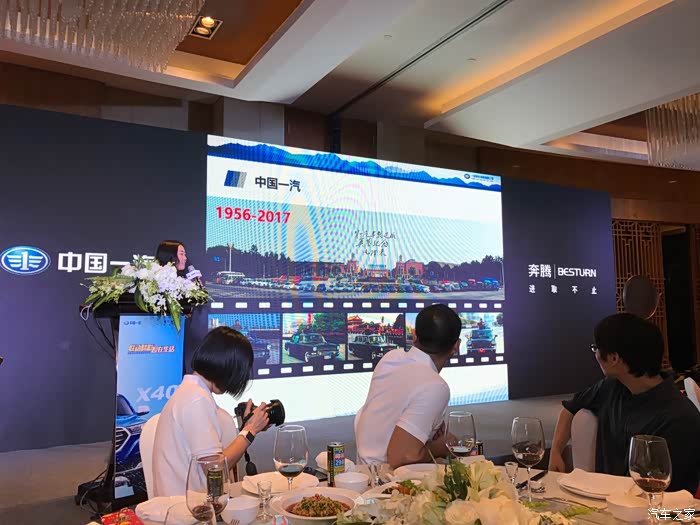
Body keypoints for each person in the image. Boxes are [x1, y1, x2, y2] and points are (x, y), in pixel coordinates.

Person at [549, 313, 700, 493]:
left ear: (614, 358)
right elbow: (570, 408)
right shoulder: (611, 387)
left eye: (596, 348)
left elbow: (669, 496)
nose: (595, 354)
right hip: (606, 501)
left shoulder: (680, 417)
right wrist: (556, 451)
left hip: (659, 506)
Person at [152, 327, 270, 496]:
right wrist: (250, 431)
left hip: (189, 503)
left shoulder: (192, 392)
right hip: (186, 507)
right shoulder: (195, 399)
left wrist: (247, 426)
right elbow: (215, 469)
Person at [355, 304, 461, 467]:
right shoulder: (436, 387)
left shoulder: (390, 358)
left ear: (414, 335)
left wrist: (430, 432)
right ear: (456, 346)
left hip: (363, 472)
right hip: (388, 478)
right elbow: (402, 457)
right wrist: (442, 446)